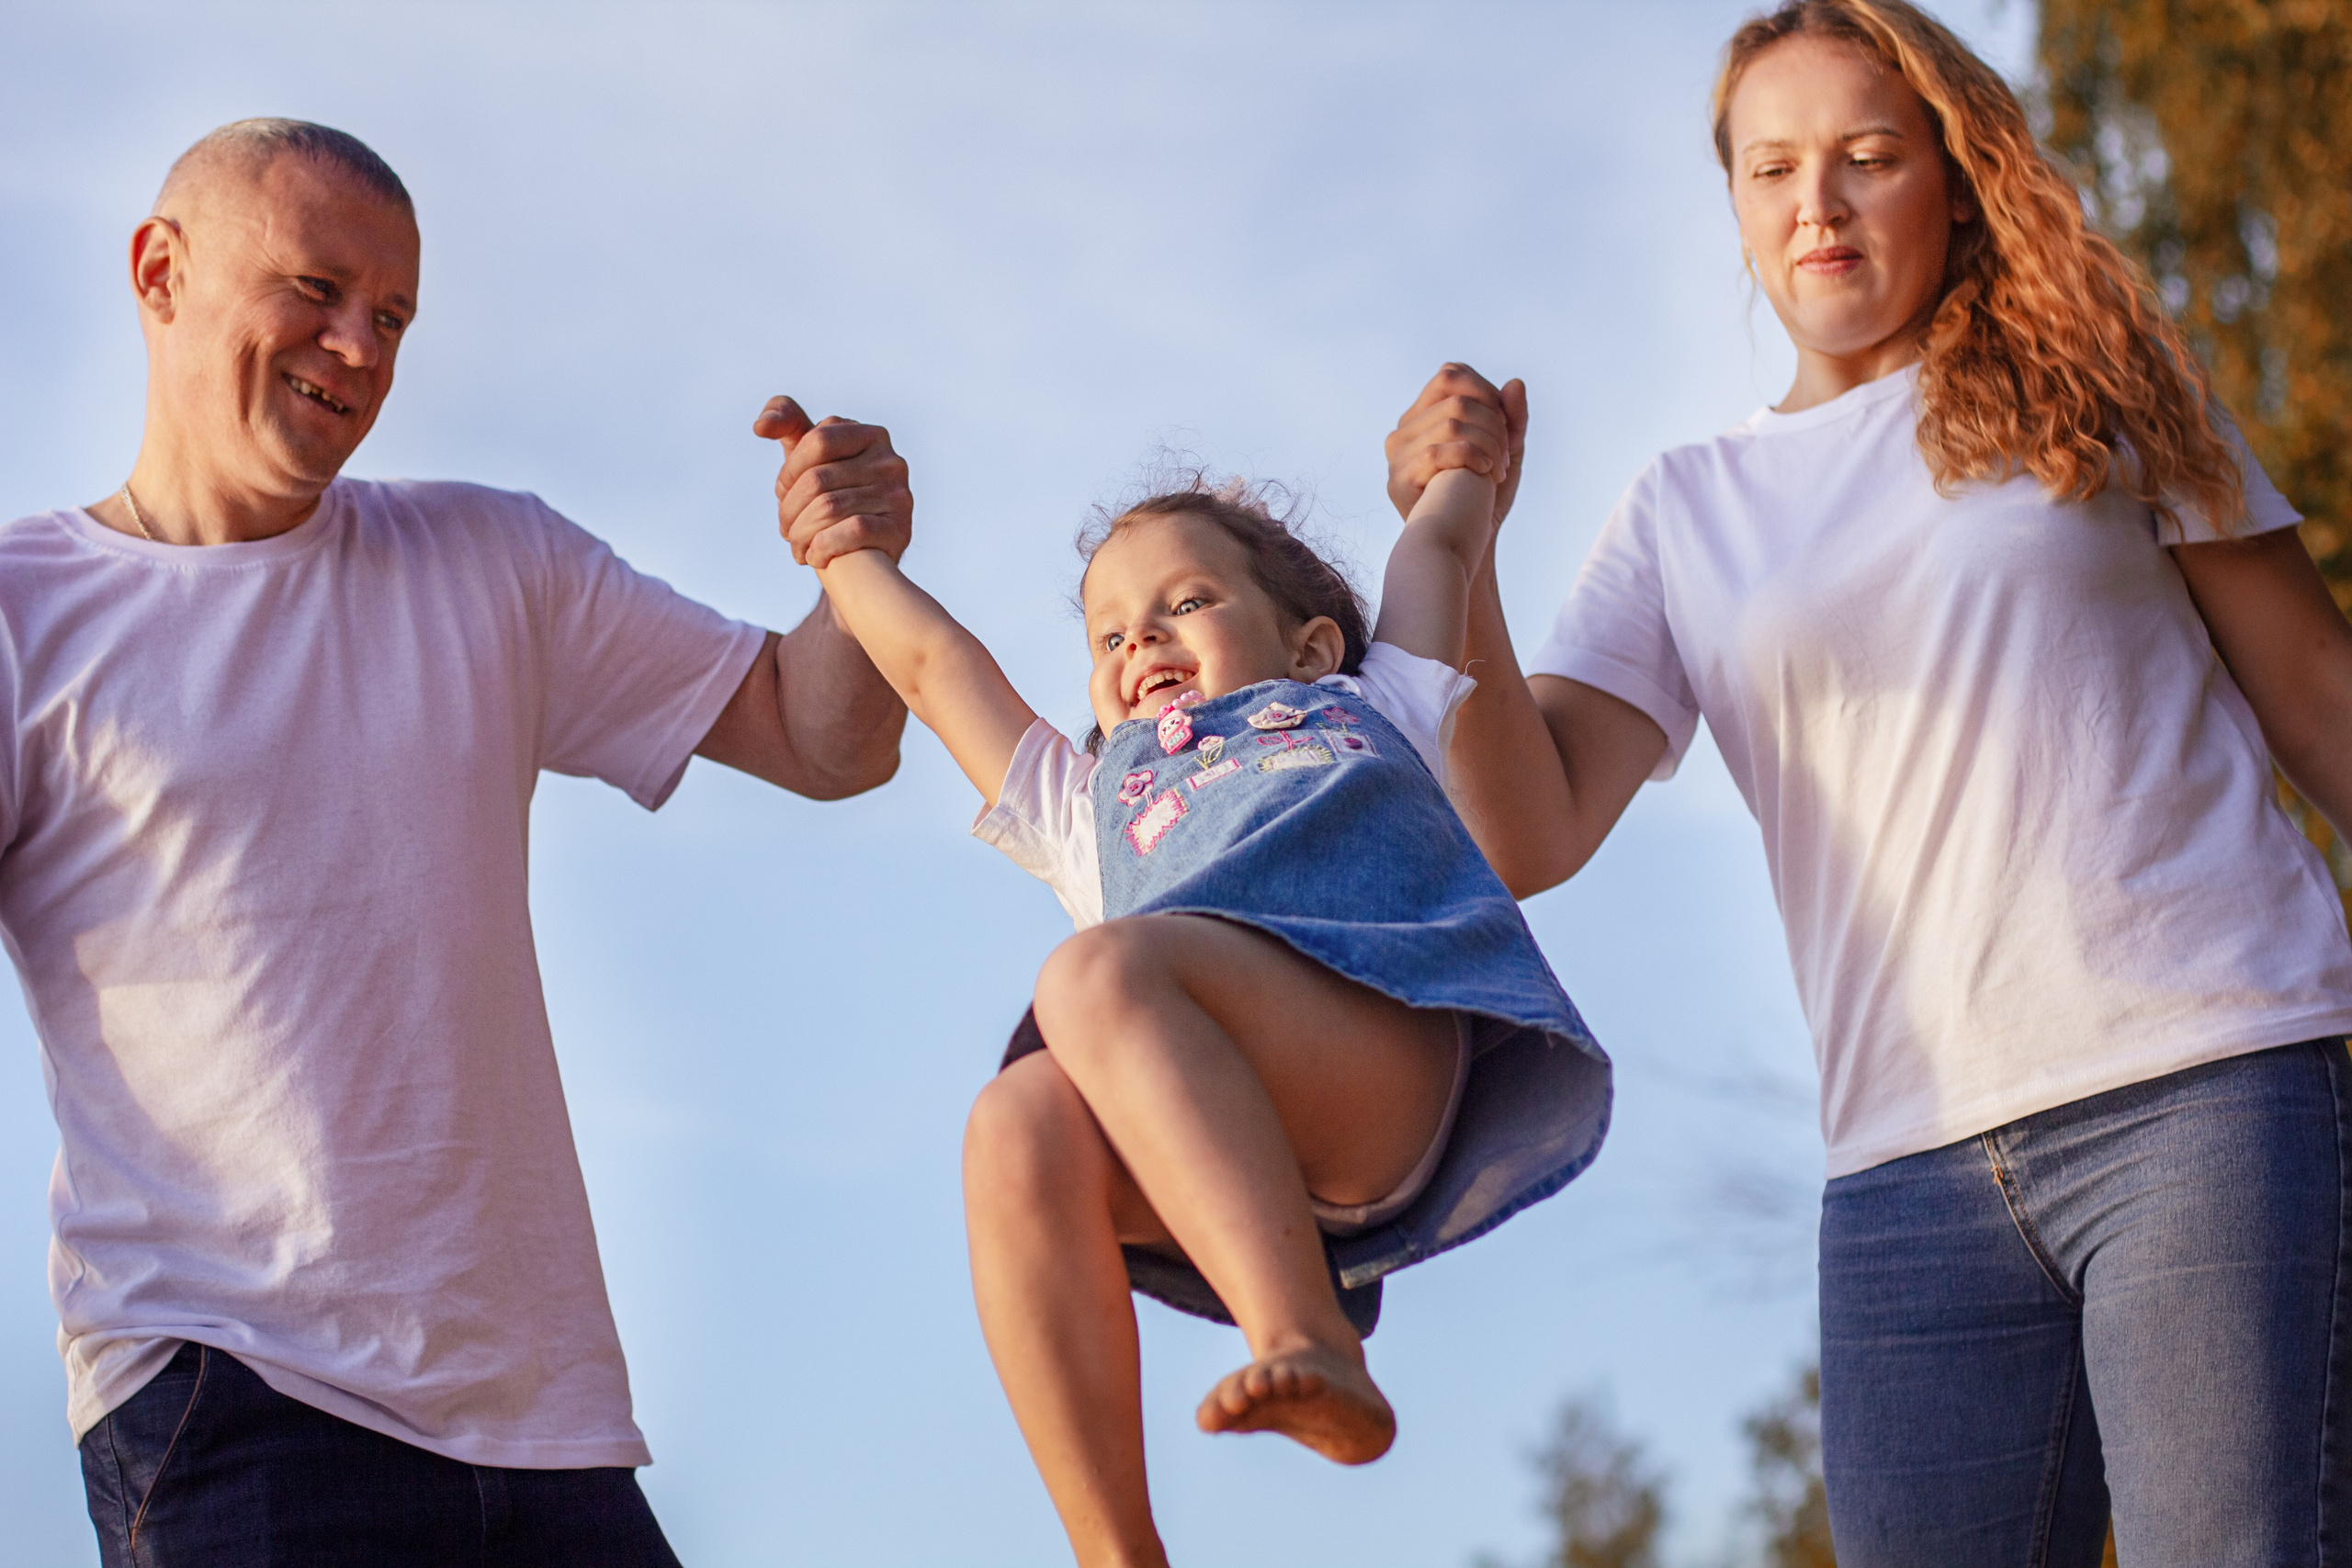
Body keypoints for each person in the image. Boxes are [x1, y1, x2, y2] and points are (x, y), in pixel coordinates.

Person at [1385, 2, 2352, 1563]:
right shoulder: (1688, 509)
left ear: (1954, 180)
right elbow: (1530, 823)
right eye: (1772, 170)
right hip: (1905, 1172)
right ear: (1738, 207)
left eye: (1865, 157)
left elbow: (2316, 691)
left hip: (2208, 1078)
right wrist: (1467, 537)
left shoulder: (2102, 380)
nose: (1814, 204)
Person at [5, 118, 914, 1565]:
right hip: (233, 1400)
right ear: (160, 272)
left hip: (550, 1425)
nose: (357, 346)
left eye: (395, 316)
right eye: (314, 288)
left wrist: (854, 566)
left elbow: (829, 741)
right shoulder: (26, 614)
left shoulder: (494, 560)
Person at [769, 437, 1610, 1566]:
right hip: (1209, 1135)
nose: (1141, 641)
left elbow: (1441, 548)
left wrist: (1462, 463)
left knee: (1096, 974)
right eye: (1110, 635)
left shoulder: (1371, 701)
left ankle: (1309, 1336)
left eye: (1186, 602)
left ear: (1310, 644)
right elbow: (928, 665)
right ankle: (1116, 1549)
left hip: (1372, 1056)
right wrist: (843, 555)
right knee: (1013, 1121)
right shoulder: (1089, 800)